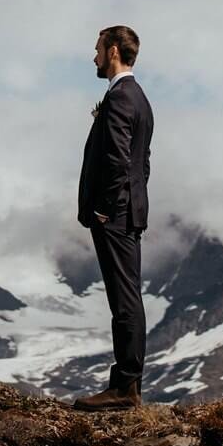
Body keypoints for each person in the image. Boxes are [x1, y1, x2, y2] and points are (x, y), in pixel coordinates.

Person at [72, 24, 155, 411]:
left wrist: (107, 206)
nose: (94, 57)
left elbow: (120, 159)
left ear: (115, 52)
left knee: (124, 301)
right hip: (128, 211)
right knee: (127, 297)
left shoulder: (122, 98)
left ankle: (125, 388)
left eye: (98, 49)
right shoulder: (139, 98)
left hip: (116, 215)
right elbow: (143, 161)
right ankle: (127, 385)